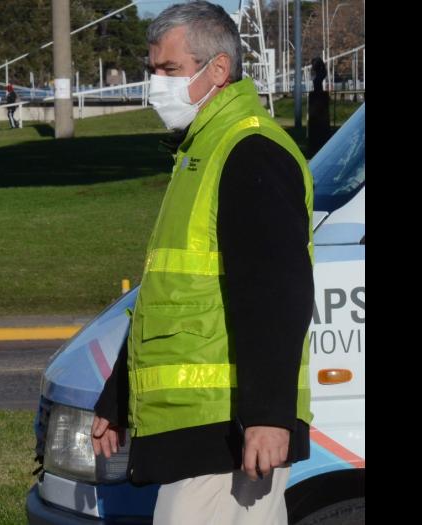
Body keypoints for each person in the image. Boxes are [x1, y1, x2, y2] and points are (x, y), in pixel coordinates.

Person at [90, 2, 314, 524]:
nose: (155, 85)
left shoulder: (249, 150)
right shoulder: (200, 152)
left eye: (169, 70)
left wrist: (268, 417)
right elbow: (174, 300)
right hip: (206, 426)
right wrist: (119, 396)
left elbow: (277, 294)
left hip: (232, 430)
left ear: (218, 69)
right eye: (153, 71)